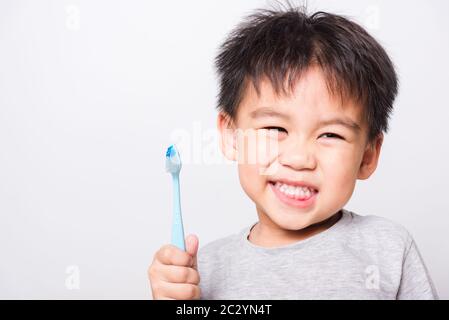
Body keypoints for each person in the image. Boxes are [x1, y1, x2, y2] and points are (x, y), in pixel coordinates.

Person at [148, 5, 438, 299]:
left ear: (368, 155)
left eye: (330, 134)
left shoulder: (387, 249)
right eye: (275, 129)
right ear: (232, 136)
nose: (299, 159)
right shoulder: (203, 271)